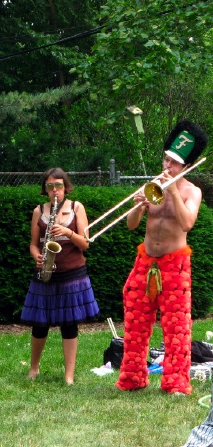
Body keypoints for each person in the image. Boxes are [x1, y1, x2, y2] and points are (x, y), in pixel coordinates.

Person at [116, 121, 208, 396]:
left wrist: (171, 189)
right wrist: (139, 206)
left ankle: (176, 383)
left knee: (177, 327)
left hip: (175, 265)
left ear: (186, 167)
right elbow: (132, 225)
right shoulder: (150, 186)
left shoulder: (192, 192)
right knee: (135, 321)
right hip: (145, 262)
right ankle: (132, 377)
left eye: (175, 162)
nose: (168, 165)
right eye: (166, 158)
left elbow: (187, 223)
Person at [20, 167, 100, 385]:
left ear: (66, 187)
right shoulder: (39, 210)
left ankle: (69, 376)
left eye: (59, 186)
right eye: (50, 186)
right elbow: (33, 245)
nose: (55, 190)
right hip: (46, 273)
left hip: (72, 273)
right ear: (45, 189)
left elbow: (85, 243)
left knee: (69, 324)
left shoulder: (77, 207)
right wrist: (37, 256)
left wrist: (66, 232)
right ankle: (34, 368)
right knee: (40, 323)